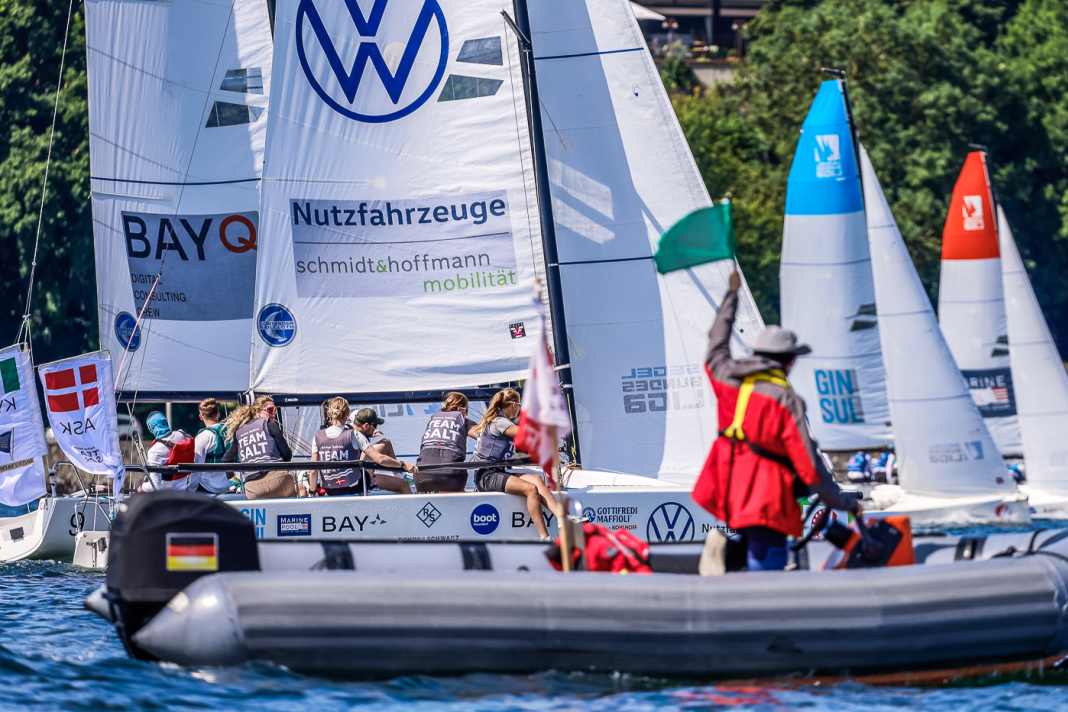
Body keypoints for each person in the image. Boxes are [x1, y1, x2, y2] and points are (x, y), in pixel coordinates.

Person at [692, 270, 862, 572]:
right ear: (789, 361)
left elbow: (715, 344)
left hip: (729, 492)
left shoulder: (729, 379)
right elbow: (809, 468)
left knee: (744, 551)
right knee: (768, 562)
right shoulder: (787, 401)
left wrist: (730, 297)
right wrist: (842, 501)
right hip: (765, 499)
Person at [471, 388, 559, 541]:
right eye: (519, 404)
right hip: (486, 475)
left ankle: (563, 518)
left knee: (537, 480)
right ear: (513, 405)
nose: (520, 409)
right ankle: (544, 537)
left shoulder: (498, 421)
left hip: (499, 471)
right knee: (530, 489)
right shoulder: (500, 422)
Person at [222, 395, 295, 499]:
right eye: (270, 410)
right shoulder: (269, 424)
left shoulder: (239, 432)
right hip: (278, 480)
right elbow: (287, 455)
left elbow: (226, 460)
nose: (274, 414)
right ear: (257, 412)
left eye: (275, 410)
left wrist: (235, 480)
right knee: (301, 490)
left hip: (253, 489)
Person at [308, 397, 371, 496]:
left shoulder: (317, 436)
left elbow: (313, 471)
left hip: (330, 490)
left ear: (329, 414)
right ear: (347, 415)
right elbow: (376, 457)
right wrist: (401, 465)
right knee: (366, 473)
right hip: (353, 488)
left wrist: (312, 491)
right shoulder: (354, 434)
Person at [416, 392, 478, 493]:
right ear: (463, 409)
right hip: (450, 476)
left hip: (422, 475)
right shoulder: (464, 420)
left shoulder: (433, 419)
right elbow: (482, 436)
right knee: (457, 505)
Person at [350, 407, 416, 493]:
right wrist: (403, 465)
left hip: (348, 476)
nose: (376, 429)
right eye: (374, 426)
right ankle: (411, 504)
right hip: (357, 480)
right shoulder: (357, 435)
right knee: (404, 485)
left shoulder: (346, 432)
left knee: (386, 443)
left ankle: (401, 474)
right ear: (366, 425)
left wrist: (372, 438)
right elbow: (380, 459)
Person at [142, 412, 195, 492]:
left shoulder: (154, 451)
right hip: (188, 487)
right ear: (166, 422)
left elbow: (155, 486)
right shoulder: (182, 435)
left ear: (151, 428)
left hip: (168, 494)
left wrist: (142, 487)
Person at [192, 398, 232, 495]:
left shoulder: (202, 437)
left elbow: (196, 467)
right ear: (218, 414)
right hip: (228, 485)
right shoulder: (231, 431)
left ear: (201, 416)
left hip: (207, 487)